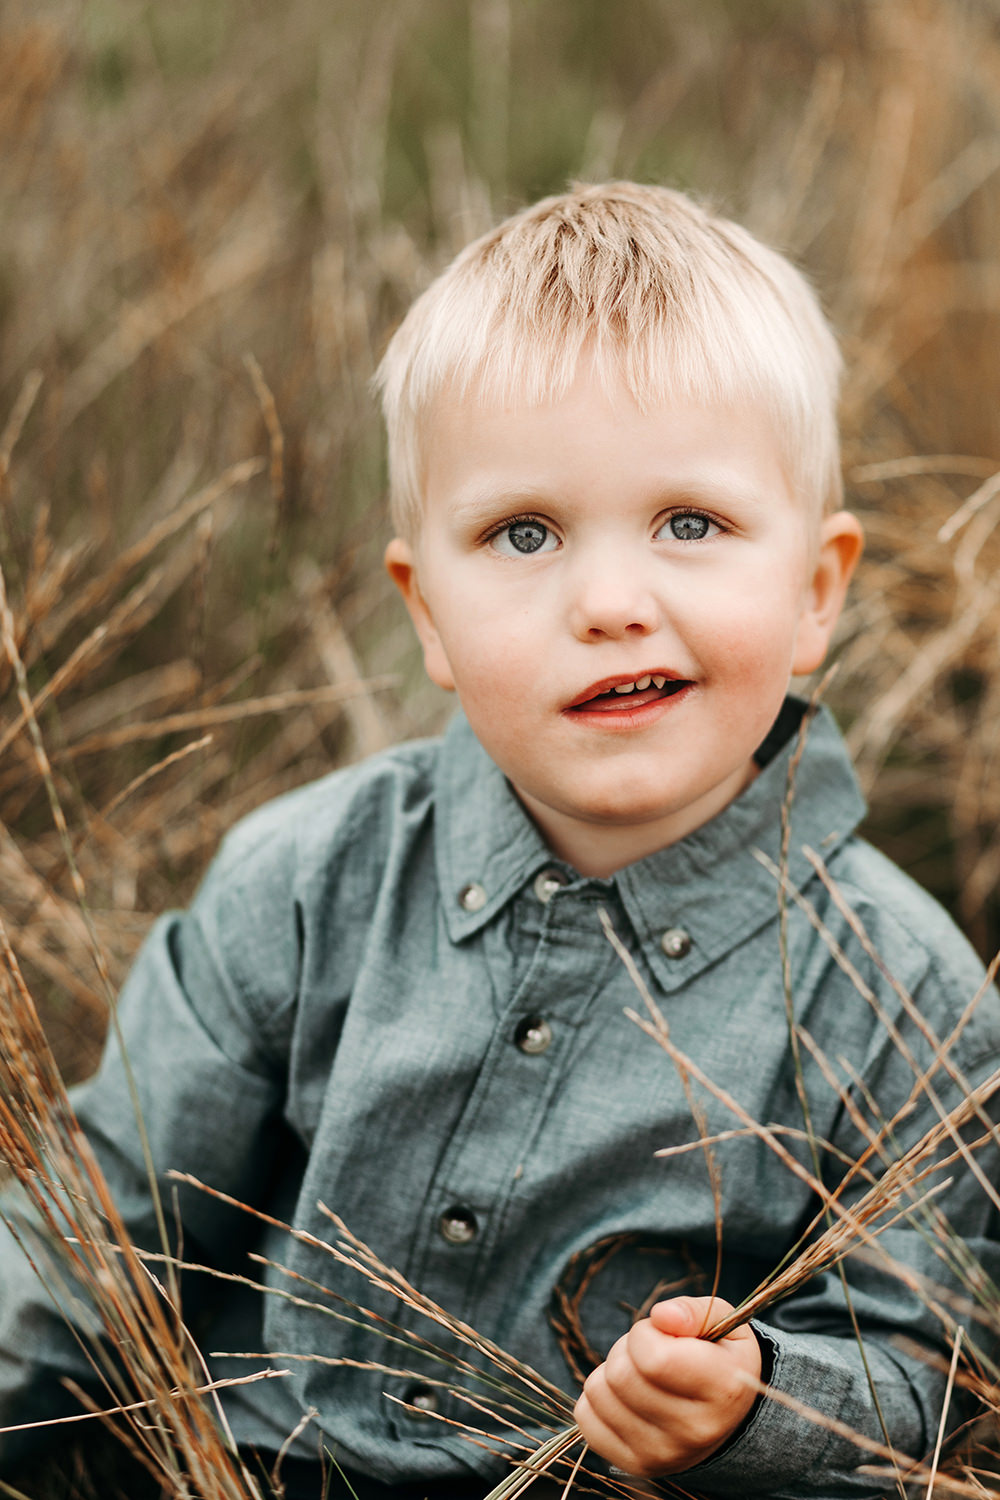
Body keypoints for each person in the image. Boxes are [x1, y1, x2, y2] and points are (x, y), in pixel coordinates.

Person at [1, 181, 998, 1500]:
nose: (607, 602)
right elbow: (96, 1230)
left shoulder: (900, 991)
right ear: (427, 611)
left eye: (688, 524)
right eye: (523, 533)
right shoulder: (307, 880)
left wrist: (755, 1400)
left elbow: (927, 1367)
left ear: (816, 593)